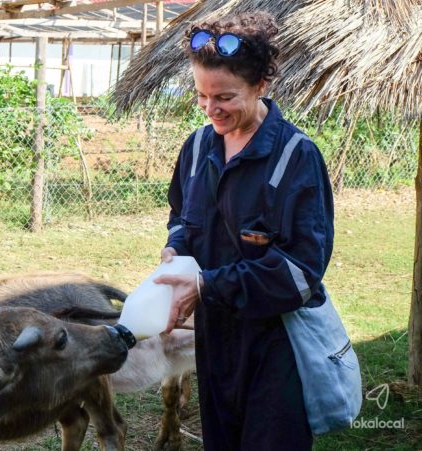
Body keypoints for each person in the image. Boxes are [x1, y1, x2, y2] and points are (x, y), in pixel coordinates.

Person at [155, 12, 332, 450]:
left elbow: (301, 274)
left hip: (275, 342)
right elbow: (181, 216)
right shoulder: (196, 148)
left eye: (225, 97)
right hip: (213, 337)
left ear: (261, 87)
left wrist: (206, 283)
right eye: (201, 96)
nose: (211, 109)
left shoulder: (296, 157)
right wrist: (176, 248)